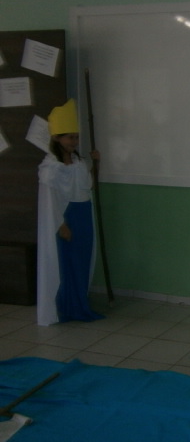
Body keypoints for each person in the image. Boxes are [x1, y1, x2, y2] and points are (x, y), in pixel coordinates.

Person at [37, 99, 104, 326]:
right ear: (57, 138)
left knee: (82, 261)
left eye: (76, 137)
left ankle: (80, 305)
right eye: (70, 137)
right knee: (69, 263)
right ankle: (67, 306)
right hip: (67, 217)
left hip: (83, 214)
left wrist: (95, 164)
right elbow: (51, 201)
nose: (74, 142)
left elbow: (88, 186)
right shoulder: (52, 168)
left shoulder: (78, 161)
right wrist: (61, 224)